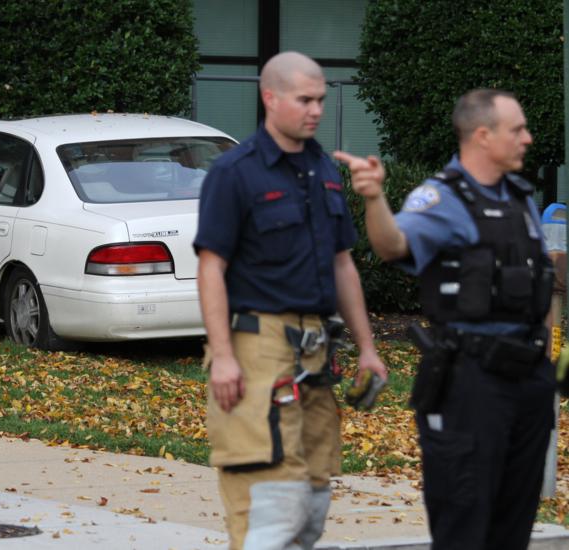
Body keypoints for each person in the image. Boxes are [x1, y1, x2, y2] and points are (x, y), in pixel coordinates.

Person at [335, 89, 556, 550]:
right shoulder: (442, 199)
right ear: (483, 135)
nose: (528, 139)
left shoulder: (520, 198)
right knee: (464, 524)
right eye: (517, 130)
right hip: (472, 383)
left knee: (513, 528)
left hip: (529, 384)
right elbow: (393, 245)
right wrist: (374, 198)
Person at [194, 51, 388, 550]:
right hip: (257, 351)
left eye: (320, 99)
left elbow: (342, 264)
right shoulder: (234, 172)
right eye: (305, 100)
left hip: (315, 353)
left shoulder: (322, 168)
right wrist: (223, 357)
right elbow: (211, 268)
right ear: (270, 97)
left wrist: (368, 348)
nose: (316, 110)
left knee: (311, 506)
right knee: (272, 513)